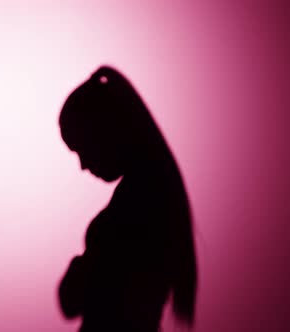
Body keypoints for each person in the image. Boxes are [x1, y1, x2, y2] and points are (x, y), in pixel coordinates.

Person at [58, 66, 197, 331]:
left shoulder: (141, 202)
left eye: (82, 147)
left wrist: (82, 270)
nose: (83, 165)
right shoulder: (150, 193)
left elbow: (73, 297)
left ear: (107, 130)